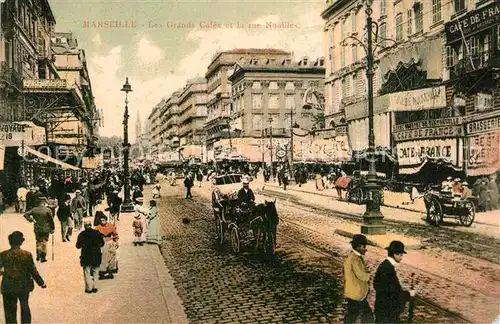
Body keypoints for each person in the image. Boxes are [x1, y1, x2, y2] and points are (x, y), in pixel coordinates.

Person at [0, 231, 47, 324]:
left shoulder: (3, 254)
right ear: (21, 242)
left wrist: (4, 272)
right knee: (25, 306)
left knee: (10, 311)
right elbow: (33, 271)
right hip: (23, 285)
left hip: (8, 286)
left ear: (10, 242)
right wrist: (41, 283)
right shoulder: (27, 254)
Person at [373, 241, 415, 323]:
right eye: (401, 255)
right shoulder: (388, 269)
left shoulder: (385, 265)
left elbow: (376, 284)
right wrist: (409, 294)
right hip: (388, 313)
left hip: (382, 309)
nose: (402, 258)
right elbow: (394, 293)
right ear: (395, 254)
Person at [343, 234, 373, 323]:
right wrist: (369, 275)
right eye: (364, 247)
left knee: (354, 315)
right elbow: (360, 275)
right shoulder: (355, 259)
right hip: (357, 294)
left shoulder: (353, 256)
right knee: (364, 316)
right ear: (359, 246)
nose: (366, 249)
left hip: (354, 292)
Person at [76, 218, 104, 293]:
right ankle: (95, 287)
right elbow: (102, 243)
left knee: (87, 272)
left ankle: (89, 288)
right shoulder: (97, 233)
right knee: (95, 271)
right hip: (96, 255)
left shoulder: (81, 234)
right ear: (91, 225)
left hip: (86, 255)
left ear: (84, 226)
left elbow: (78, 246)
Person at [94, 212, 119, 279]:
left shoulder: (110, 226)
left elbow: (115, 235)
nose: (102, 222)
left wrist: (116, 242)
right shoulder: (98, 228)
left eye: (103, 220)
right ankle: (102, 273)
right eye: (101, 221)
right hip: (102, 243)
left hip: (110, 242)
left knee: (111, 256)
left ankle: (110, 272)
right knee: (103, 258)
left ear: (106, 220)